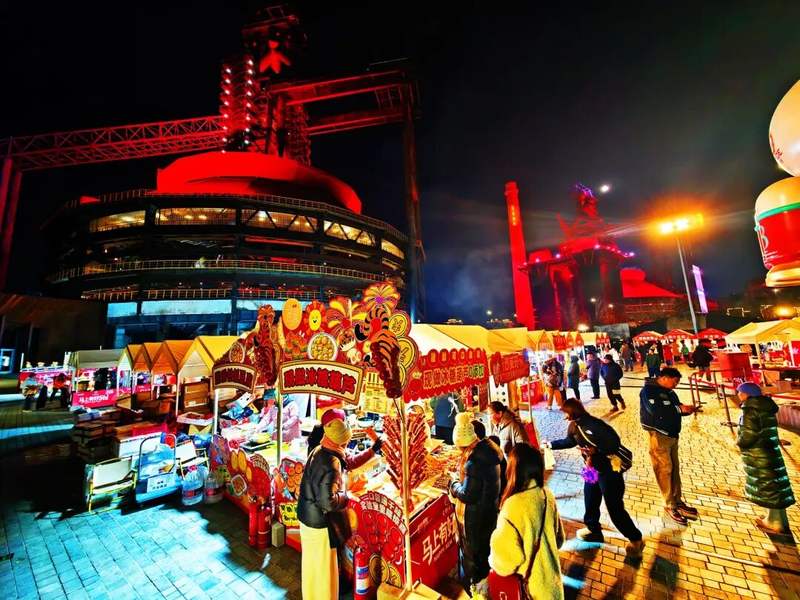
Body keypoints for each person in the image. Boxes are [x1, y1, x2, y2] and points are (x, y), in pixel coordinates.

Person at [547, 400, 644, 556]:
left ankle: (635, 538)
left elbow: (614, 443)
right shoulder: (574, 426)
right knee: (590, 499)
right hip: (590, 469)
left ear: (572, 411)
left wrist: (595, 451)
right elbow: (570, 441)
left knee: (614, 507)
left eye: (565, 412)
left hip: (608, 472)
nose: (564, 415)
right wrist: (550, 445)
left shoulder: (594, 424)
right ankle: (593, 530)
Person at [488, 444, 566, 600]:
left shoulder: (512, 507)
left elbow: (505, 563)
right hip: (553, 585)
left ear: (513, 471)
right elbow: (559, 540)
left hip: (530, 590)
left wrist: (492, 560)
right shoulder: (547, 496)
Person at [297, 409, 353, 600]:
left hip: (307, 518)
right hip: (319, 525)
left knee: (312, 569)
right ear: (341, 441)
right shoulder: (332, 461)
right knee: (324, 573)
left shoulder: (319, 449)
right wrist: (345, 496)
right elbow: (327, 502)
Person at [450, 412, 503, 588]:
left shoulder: (474, 463)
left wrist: (453, 484)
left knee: (475, 553)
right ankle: (484, 579)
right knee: (485, 548)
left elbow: (468, 495)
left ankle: (477, 585)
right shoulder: (488, 449)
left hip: (476, 516)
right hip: (488, 510)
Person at [735, 382, 796, 534]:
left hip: (758, 455)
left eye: (740, 392)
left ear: (747, 394)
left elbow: (748, 436)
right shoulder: (766, 408)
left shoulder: (750, 411)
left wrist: (739, 442)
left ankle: (775, 523)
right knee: (775, 486)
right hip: (770, 451)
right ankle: (778, 519)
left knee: (769, 488)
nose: (738, 395)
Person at [640, 367, 698, 525]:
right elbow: (656, 410)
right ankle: (669, 504)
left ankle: (677, 501)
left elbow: (675, 407)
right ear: (664, 378)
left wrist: (686, 410)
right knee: (664, 469)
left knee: (674, 469)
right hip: (659, 435)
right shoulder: (648, 391)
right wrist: (679, 409)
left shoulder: (670, 392)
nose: (676, 385)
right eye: (675, 381)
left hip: (672, 435)